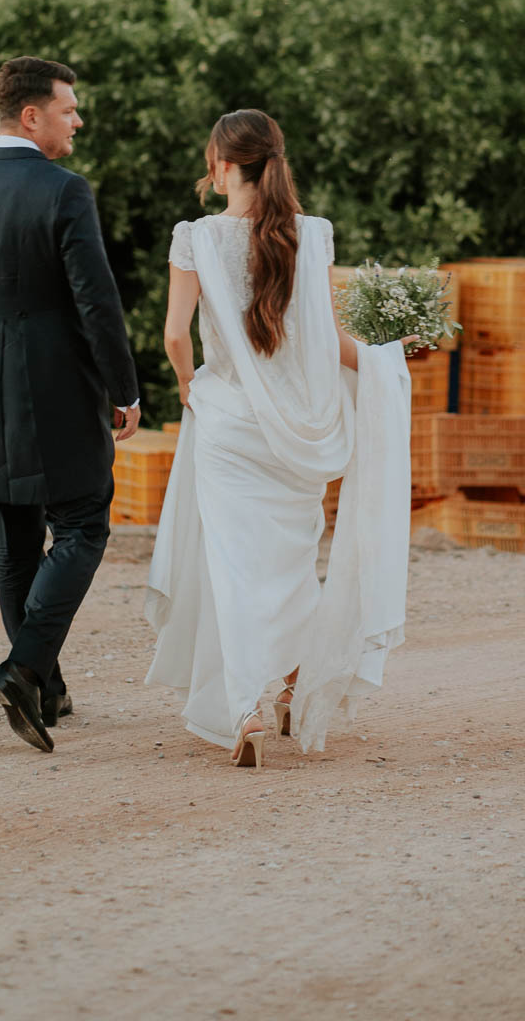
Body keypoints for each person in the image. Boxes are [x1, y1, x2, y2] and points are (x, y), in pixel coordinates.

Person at [145, 109, 412, 767]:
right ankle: (292, 688)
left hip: (230, 425)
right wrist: (385, 359)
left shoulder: (195, 237)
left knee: (236, 571)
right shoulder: (312, 235)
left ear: (220, 165)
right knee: (291, 566)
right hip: (301, 431)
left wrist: (186, 383)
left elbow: (176, 336)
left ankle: (244, 711)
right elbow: (323, 342)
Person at [0, 56, 140, 755]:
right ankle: (21, 669)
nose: (77, 120)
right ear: (30, 116)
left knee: (12, 532)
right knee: (82, 523)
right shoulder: (64, 191)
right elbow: (96, 301)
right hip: (57, 378)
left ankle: (44, 685)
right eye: (69, 109)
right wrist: (123, 387)